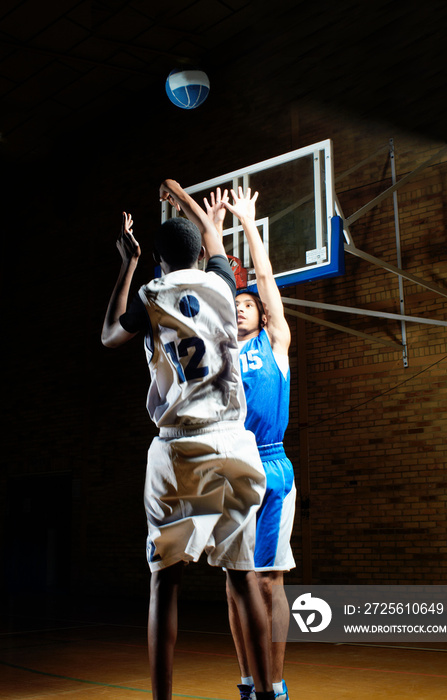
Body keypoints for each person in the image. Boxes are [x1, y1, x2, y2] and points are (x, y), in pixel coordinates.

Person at [101, 179, 274, 700]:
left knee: (165, 584)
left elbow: (109, 334)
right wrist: (180, 193)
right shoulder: (223, 284)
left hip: (177, 448)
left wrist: (128, 263)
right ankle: (267, 692)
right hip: (232, 445)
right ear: (201, 254)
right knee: (244, 580)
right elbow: (213, 242)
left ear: (157, 260)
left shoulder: (152, 295)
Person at [204, 187, 296, 700]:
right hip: (228, 466)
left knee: (268, 583)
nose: (239, 309)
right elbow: (214, 281)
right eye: (234, 305)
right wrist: (211, 228)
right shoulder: (220, 349)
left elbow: (262, 279)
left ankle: (275, 682)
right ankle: (247, 680)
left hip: (271, 464)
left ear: (261, 315)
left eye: (247, 306)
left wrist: (248, 223)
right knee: (235, 582)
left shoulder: (274, 343)